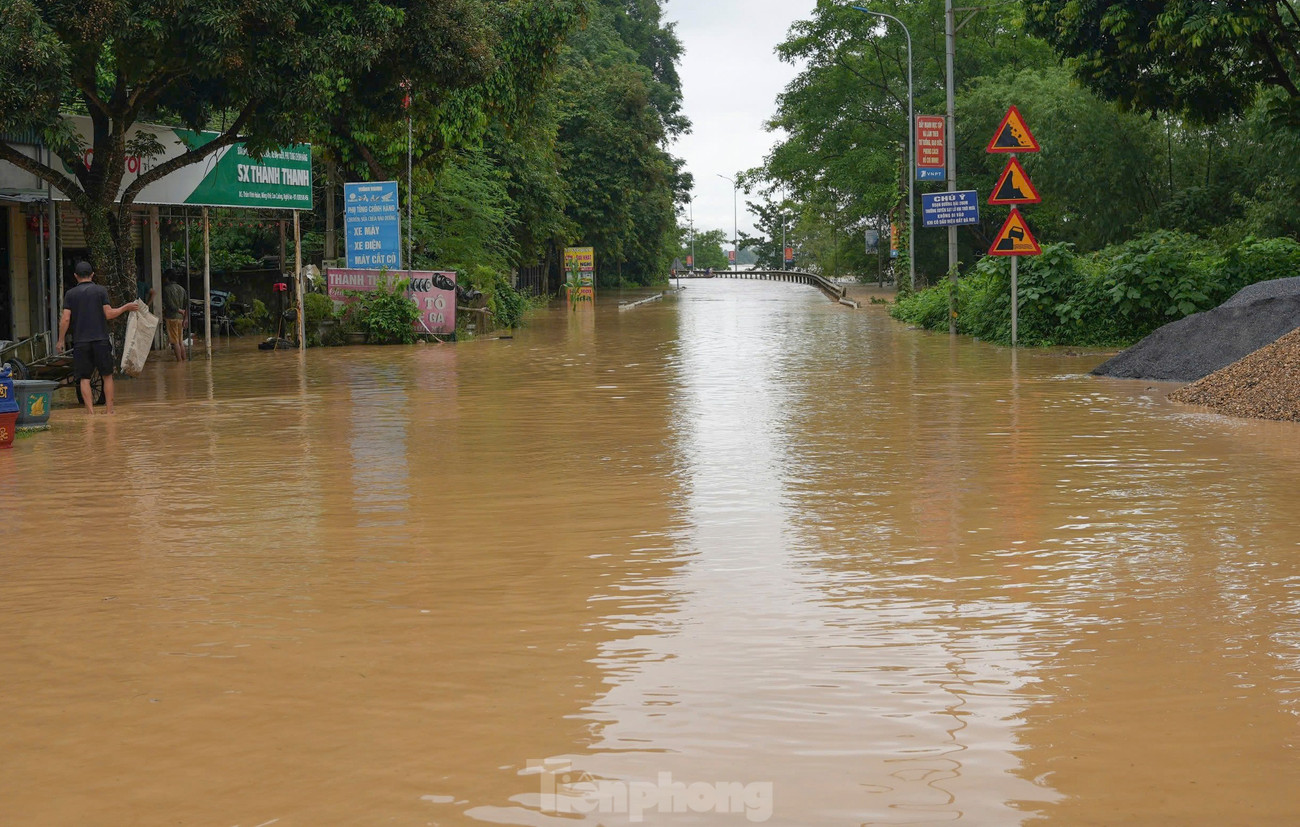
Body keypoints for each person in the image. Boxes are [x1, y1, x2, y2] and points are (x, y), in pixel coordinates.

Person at [57, 260, 138, 414]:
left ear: (75, 276)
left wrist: (61, 340)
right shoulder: (100, 291)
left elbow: (65, 319)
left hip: (81, 342)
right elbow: (109, 314)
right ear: (92, 275)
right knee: (107, 375)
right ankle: (109, 411)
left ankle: (90, 414)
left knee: (84, 378)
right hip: (100, 340)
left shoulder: (70, 294)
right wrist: (126, 307)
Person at [162, 269, 189, 361]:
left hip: (171, 317)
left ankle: (179, 363)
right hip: (180, 319)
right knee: (180, 341)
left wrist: (179, 310)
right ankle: (184, 361)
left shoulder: (166, 289)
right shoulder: (182, 289)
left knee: (175, 342)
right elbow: (187, 305)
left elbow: (170, 304)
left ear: (167, 278)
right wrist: (185, 318)